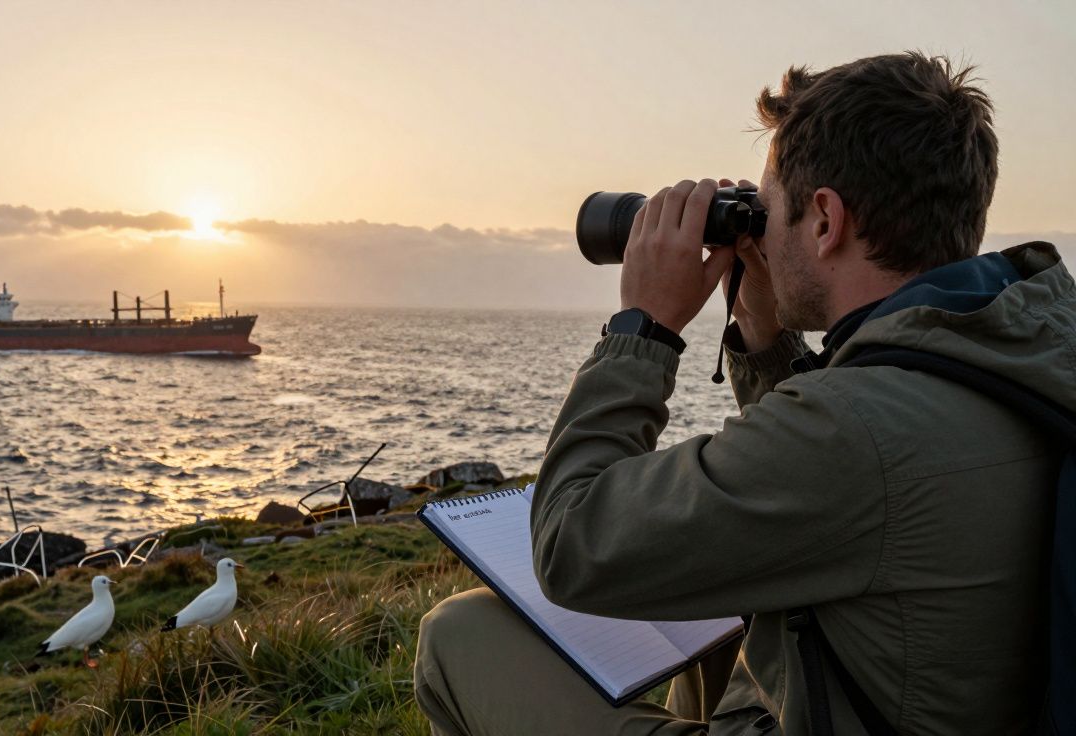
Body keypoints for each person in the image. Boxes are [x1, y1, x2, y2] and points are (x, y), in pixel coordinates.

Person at [414, 52, 1071, 734]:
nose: (762, 229)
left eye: (770, 208)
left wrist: (644, 329)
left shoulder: (858, 430)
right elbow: (841, 485)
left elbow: (570, 547)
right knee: (716, 636)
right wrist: (763, 331)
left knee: (459, 634)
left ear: (824, 220)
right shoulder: (1013, 350)